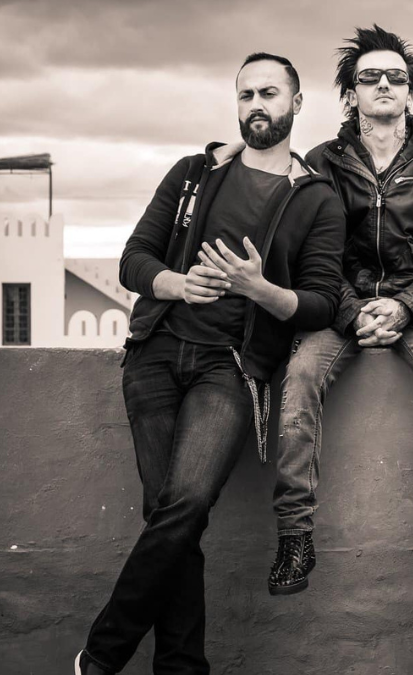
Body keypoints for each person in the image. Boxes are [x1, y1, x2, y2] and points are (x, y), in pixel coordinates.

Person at [75, 53, 344, 675]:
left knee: (187, 502)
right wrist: (176, 284)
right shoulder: (195, 173)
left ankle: (102, 654)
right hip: (155, 354)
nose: (256, 104)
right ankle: (181, 666)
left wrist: (259, 289)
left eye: (269, 93)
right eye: (246, 94)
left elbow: (322, 302)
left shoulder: (316, 199)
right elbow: (133, 259)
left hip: (230, 368)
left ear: (297, 103)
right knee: (170, 516)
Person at [270, 24, 413, 602]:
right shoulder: (322, 162)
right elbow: (314, 254)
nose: (384, 84)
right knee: (299, 377)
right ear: (350, 92)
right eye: (370, 77)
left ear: (410, 90)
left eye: (396, 77)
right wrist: (353, 311)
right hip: (343, 305)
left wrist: (405, 306)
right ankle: (294, 535)